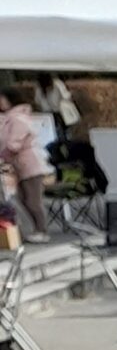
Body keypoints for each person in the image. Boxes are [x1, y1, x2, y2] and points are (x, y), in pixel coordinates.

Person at [0, 88, 50, 241]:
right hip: (21, 165)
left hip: (31, 165)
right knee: (23, 198)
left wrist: (3, 155)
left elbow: (13, 144)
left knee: (33, 200)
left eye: (2, 99)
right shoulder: (10, 118)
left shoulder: (18, 119)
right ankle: (37, 229)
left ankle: (42, 230)